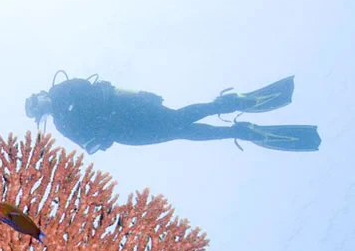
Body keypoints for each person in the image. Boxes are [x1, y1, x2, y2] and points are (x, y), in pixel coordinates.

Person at [24, 72, 320, 153]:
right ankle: (232, 111)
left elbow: (108, 90)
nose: (42, 103)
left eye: (37, 100)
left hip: (132, 120)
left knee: (179, 124)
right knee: (179, 128)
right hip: (130, 126)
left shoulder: (64, 94)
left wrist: (141, 95)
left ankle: (236, 122)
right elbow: (93, 147)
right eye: (38, 106)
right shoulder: (62, 122)